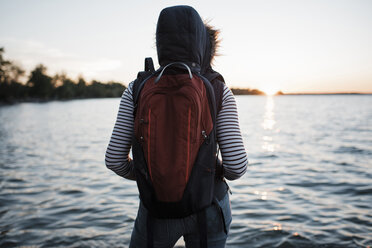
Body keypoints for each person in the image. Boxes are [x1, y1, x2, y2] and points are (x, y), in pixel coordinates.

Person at [105, 5, 248, 248]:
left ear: (160, 42)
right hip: (209, 207)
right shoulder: (218, 89)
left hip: (156, 210)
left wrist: (153, 176)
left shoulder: (136, 89)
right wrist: (207, 173)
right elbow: (236, 166)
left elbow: (114, 160)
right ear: (202, 44)